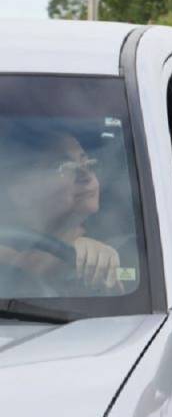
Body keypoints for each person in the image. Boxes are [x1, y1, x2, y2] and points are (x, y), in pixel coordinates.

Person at [0, 125, 122, 296]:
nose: (86, 175)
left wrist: (101, 269)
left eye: (88, 163)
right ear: (18, 190)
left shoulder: (125, 248)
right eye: (64, 166)